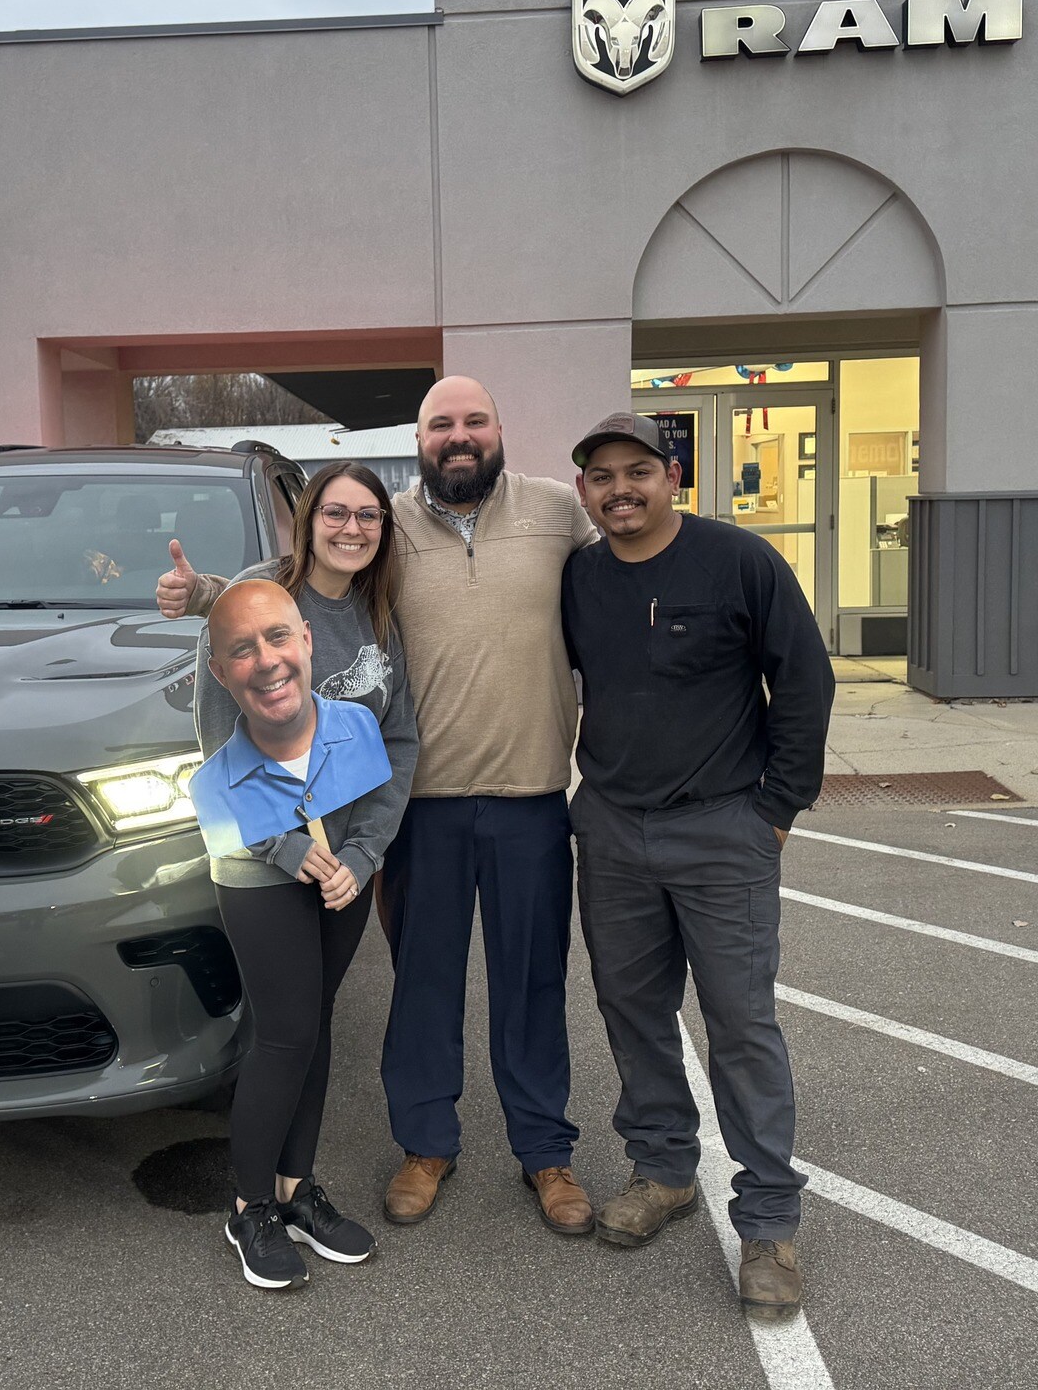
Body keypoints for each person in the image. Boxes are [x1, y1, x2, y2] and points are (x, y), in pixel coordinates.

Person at [162, 380, 599, 1237]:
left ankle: (545, 1153)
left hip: (529, 799)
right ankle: (425, 1143)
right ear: (422, 439)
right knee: (422, 988)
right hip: (420, 813)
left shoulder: (554, 513)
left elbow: (628, 557)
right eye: (442, 425)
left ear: (501, 431)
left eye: (475, 422)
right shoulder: (392, 526)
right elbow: (288, 592)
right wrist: (209, 592)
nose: (459, 437)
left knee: (532, 986)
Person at [560, 412, 834, 1312]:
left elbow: (803, 678)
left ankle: (768, 1224)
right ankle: (664, 1170)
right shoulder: (581, 577)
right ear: (584, 492)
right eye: (601, 477)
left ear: (671, 475)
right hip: (611, 829)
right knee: (632, 1009)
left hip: (724, 830)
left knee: (741, 1022)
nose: (619, 489)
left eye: (636, 471)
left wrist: (777, 810)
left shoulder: (738, 562)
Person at [190, 464, 418, 1292]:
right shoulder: (255, 599)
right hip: (262, 864)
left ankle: (295, 1190)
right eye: (335, 511)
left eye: (368, 515)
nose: (351, 527)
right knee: (284, 1033)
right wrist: (288, 848)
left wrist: (361, 858)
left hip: (344, 872)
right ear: (307, 518)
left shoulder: (378, 619)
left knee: (314, 1026)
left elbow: (399, 749)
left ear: (382, 530)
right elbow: (218, 743)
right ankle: (248, 1205)